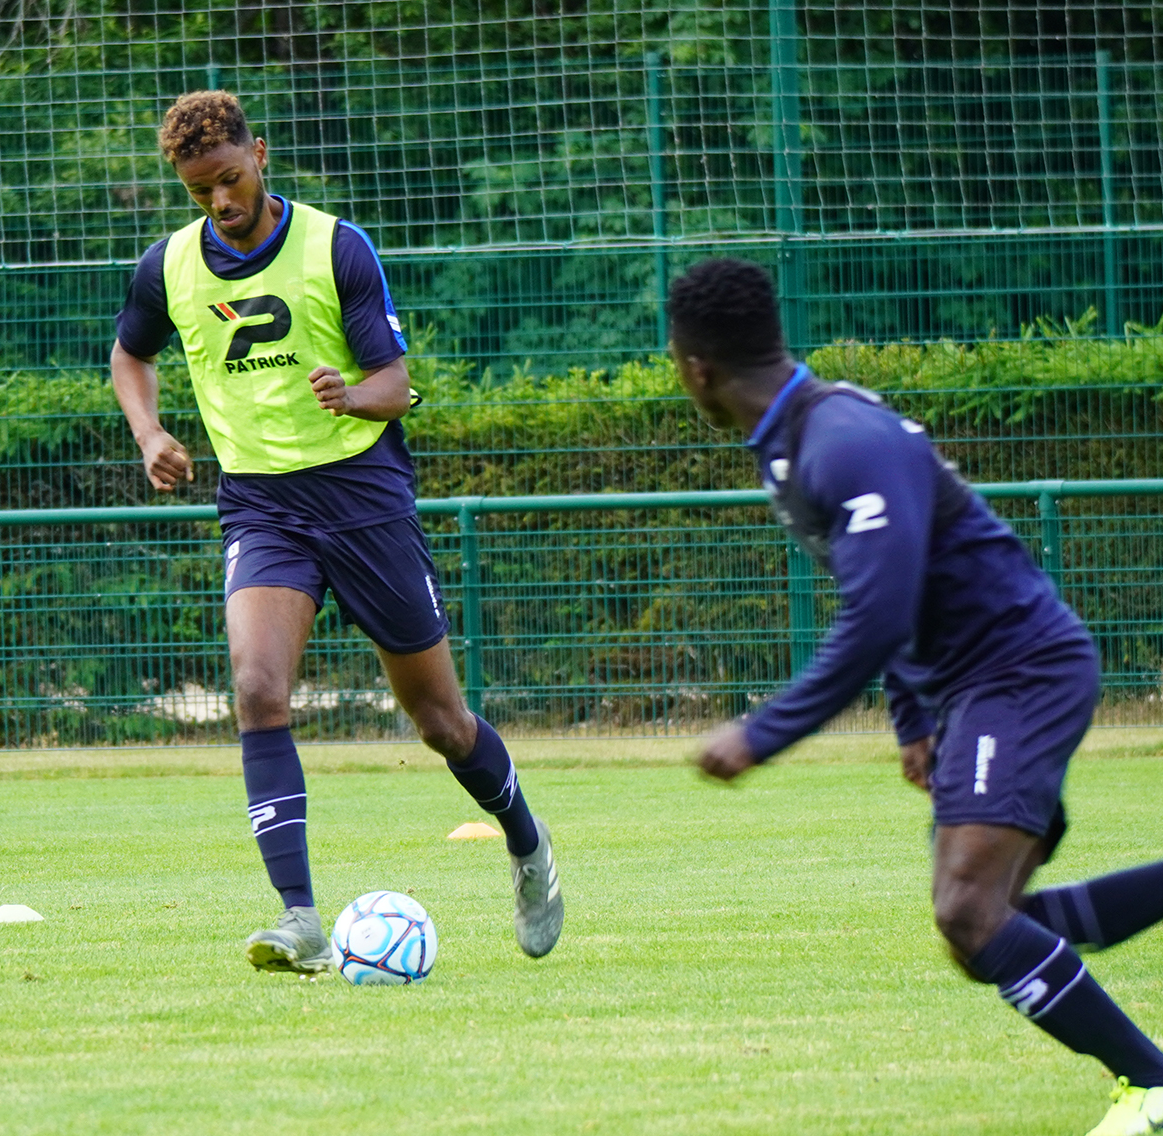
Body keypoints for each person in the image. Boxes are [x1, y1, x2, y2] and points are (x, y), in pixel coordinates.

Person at [671, 257, 1163, 1136]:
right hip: (979, 684)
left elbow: (880, 611)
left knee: (968, 914)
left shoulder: (840, 442)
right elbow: (896, 586)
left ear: (693, 367)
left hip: (1018, 671)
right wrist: (913, 719)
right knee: (991, 929)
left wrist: (764, 734)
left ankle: (1153, 1084)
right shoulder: (796, 442)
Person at [109, 90, 563, 973]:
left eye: (231, 181)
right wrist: (151, 433)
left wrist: (350, 394)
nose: (221, 204)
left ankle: (529, 845)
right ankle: (300, 920)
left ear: (261, 155)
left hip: (363, 497)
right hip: (262, 506)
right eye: (200, 191)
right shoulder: (167, 266)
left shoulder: (335, 247)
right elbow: (132, 354)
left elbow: (396, 384)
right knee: (257, 690)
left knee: (440, 722)